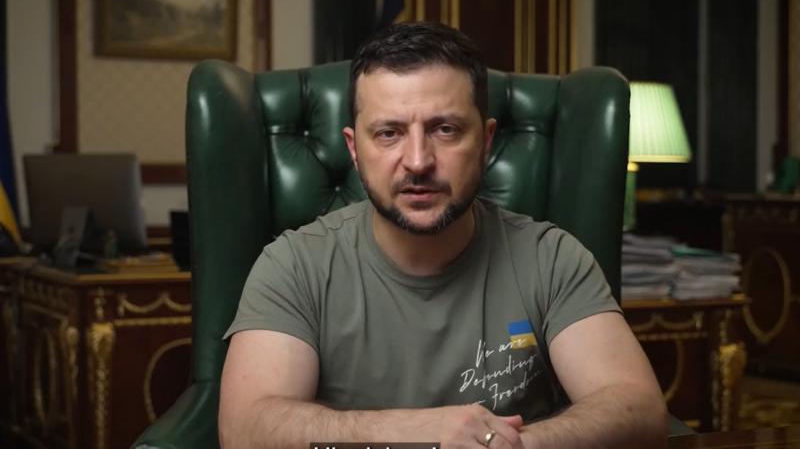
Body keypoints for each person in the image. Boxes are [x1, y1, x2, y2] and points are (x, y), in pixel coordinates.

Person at [219, 22, 667, 448]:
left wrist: (503, 445)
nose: (418, 161)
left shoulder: (551, 257)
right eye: (389, 133)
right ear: (355, 149)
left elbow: (640, 410)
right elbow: (245, 432)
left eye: (445, 129)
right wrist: (412, 434)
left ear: (486, 141)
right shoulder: (293, 264)